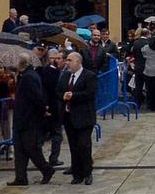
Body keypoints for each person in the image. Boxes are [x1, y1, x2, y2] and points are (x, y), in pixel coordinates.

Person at [8, 52, 55, 186]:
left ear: (22, 64)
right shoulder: (25, 75)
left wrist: (43, 111)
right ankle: (21, 177)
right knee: (20, 149)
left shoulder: (29, 77)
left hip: (28, 119)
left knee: (31, 148)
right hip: (23, 119)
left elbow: (36, 97)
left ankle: (46, 169)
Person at [59, 51, 97, 184]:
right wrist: (63, 96)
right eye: (66, 60)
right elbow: (58, 90)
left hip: (85, 117)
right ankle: (77, 174)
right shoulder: (65, 75)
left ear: (78, 62)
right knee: (73, 146)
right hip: (69, 116)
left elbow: (90, 93)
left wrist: (73, 96)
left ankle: (87, 172)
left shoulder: (89, 76)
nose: (67, 63)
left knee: (84, 145)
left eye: (69, 60)